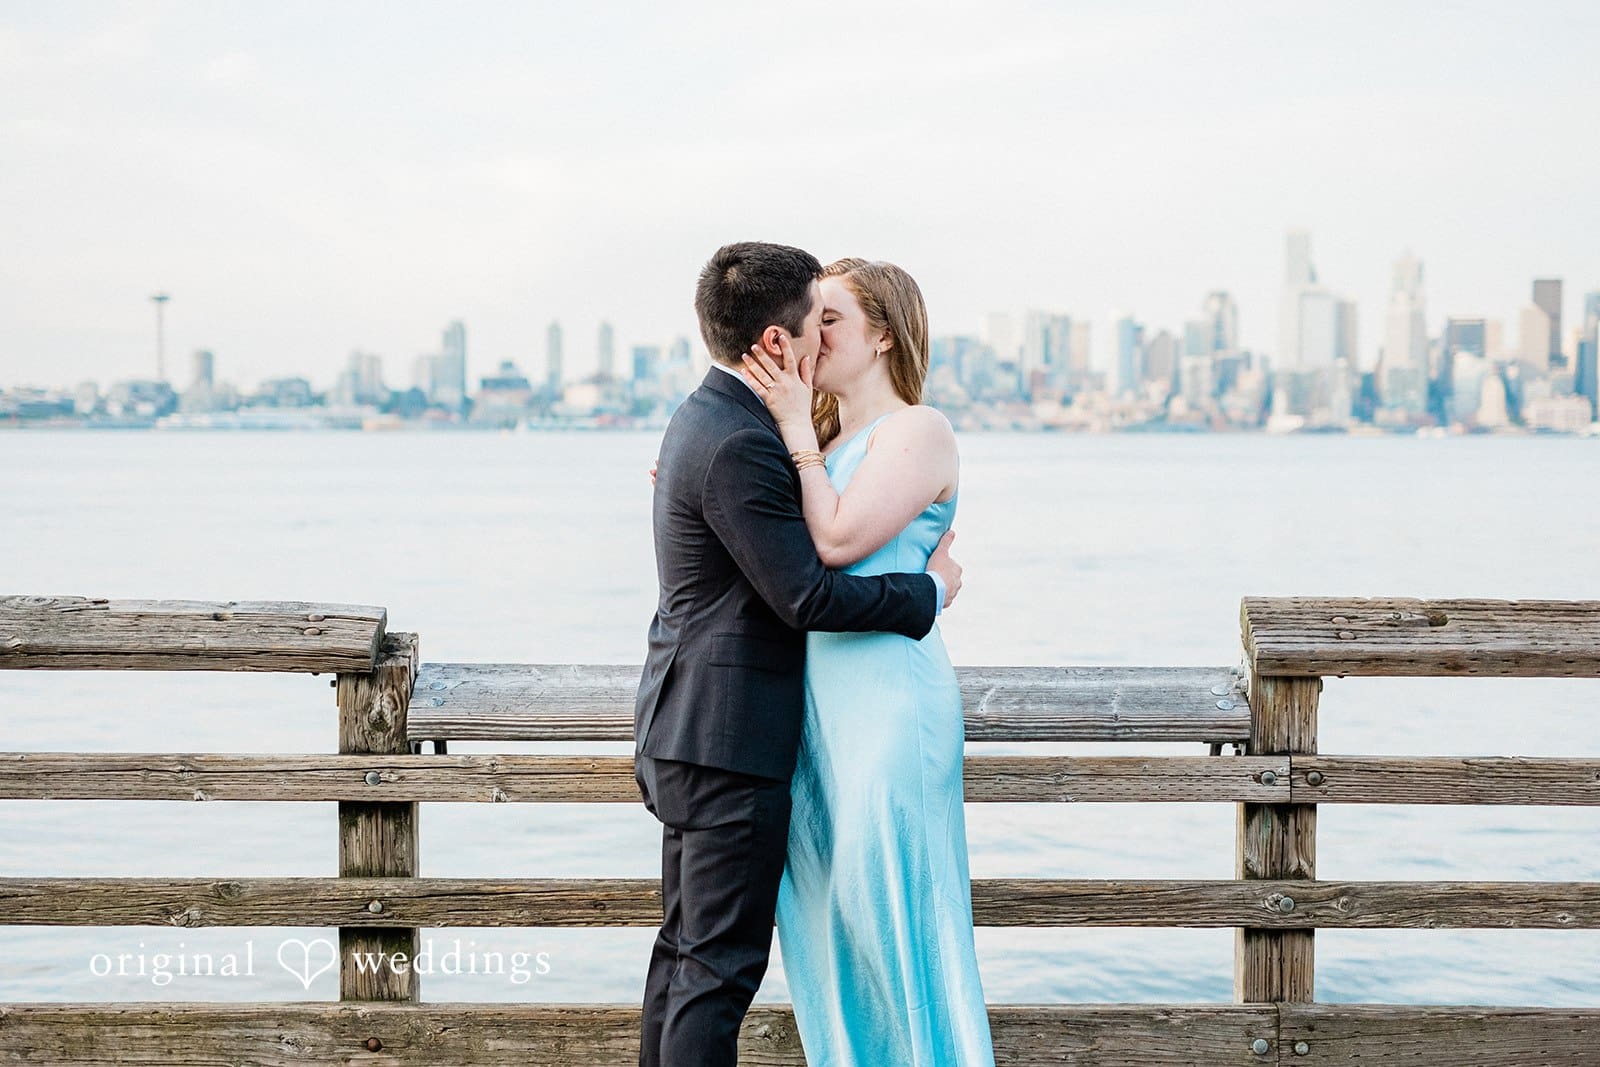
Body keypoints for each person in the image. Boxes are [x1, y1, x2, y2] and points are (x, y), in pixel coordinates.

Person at [633, 241, 964, 1067]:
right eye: (812, 320)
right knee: (709, 966)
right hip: (731, 736)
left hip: (744, 727)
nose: (819, 334)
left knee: (691, 960)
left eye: (834, 317)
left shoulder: (729, 424)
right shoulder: (748, 437)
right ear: (777, 343)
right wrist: (930, 593)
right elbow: (809, 592)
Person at [737, 257, 995, 1065]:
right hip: (815, 724)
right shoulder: (822, 438)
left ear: (883, 334)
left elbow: (838, 541)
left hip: (887, 709)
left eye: (832, 318)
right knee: (827, 929)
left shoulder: (917, 430)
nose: (813, 333)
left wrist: (790, 435)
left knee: (899, 922)